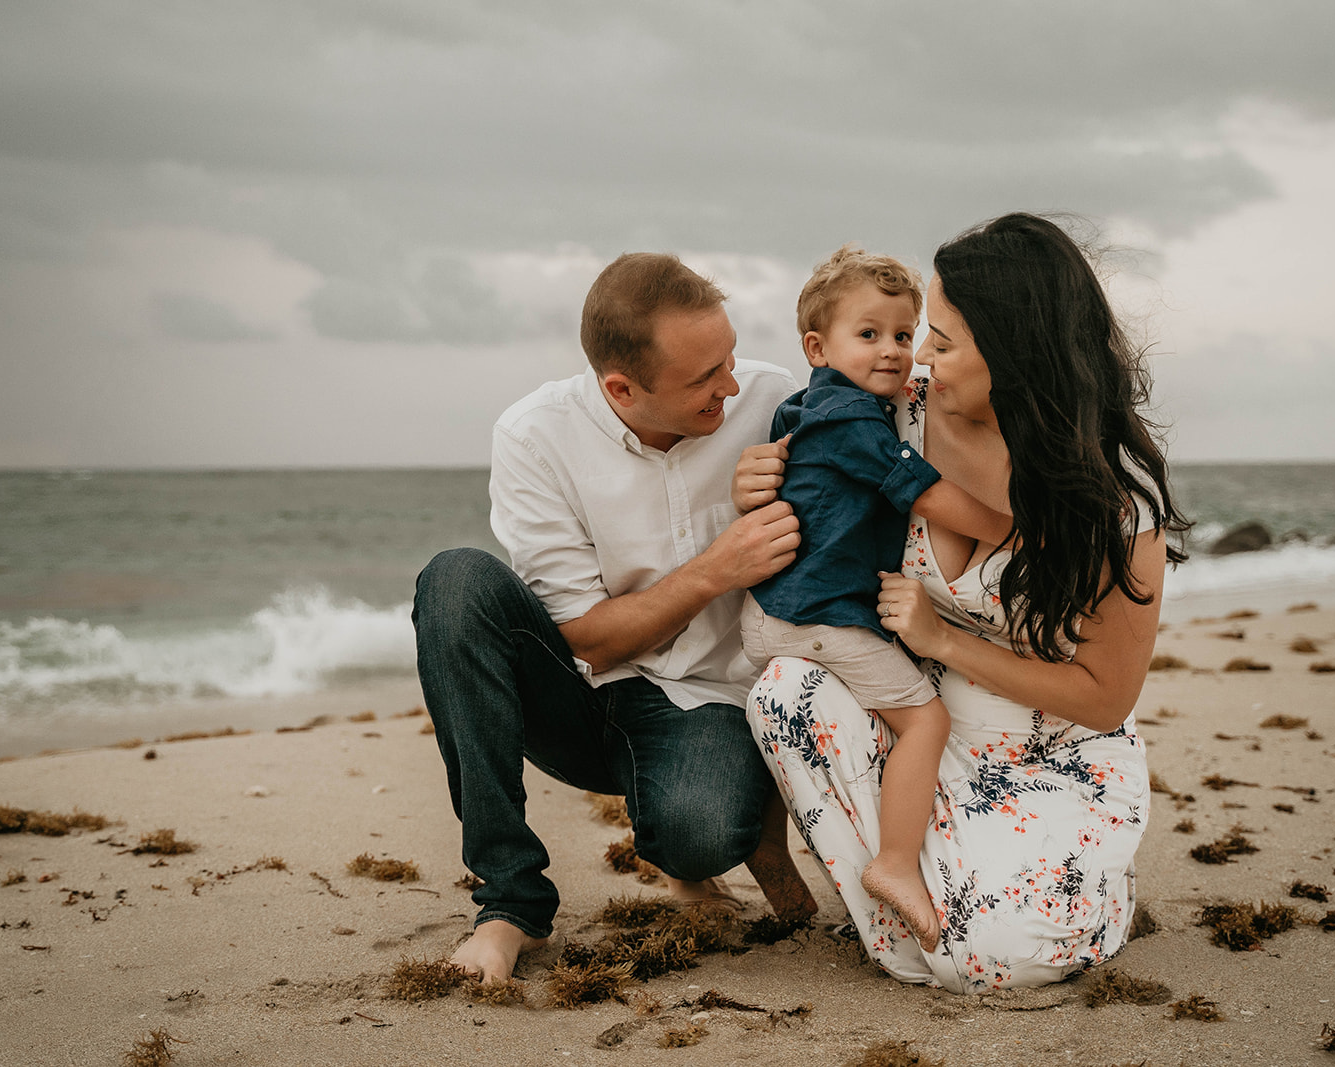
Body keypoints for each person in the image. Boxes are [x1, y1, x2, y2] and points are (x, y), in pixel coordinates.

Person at [738, 213, 1187, 991]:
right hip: (914, 723)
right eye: (923, 336)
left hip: (1052, 752)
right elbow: (809, 435)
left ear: (1013, 354)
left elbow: (1106, 694)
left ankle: (1044, 904)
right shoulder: (893, 412)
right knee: (786, 691)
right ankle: (903, 895)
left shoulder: (1113, 501)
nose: (918, 357)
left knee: (1001, 957)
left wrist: (945, 641)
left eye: (941, 342)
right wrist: (759, 475)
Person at [412, 252, 816, 985]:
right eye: (703, 379)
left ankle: (681, 853)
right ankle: (510, 902)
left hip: (706, 697)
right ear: (621, 388)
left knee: (699, 835)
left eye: (728, 357)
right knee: (454, 580)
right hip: (582, 695)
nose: (730, 383)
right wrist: (717, 568)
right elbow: (587, 637)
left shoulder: (768, 398)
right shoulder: (534, 435)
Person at [738, 245, 1012, 951]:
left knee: (873, 725)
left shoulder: (807, 405)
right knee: (923, 722)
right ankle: (893, 864)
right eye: (869, 335)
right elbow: (921, 490)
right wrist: (1011, 527)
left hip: (779, 610)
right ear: (816, 344)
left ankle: (850, 840)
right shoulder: (855, 420)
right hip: (820, 615)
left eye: (903, 333)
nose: (894, 352)